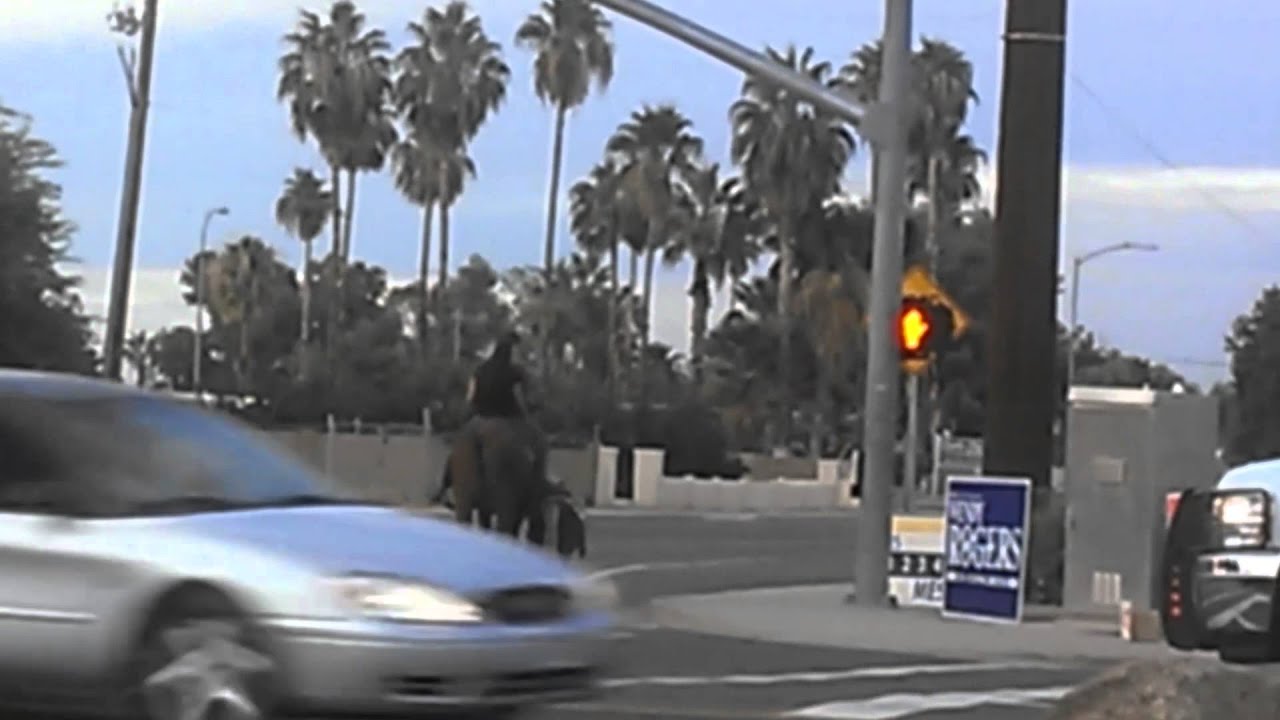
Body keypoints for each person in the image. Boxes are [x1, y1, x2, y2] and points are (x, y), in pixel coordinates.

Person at [453, 331, 550, 540]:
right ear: (512, 350)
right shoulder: (517, 373)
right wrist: (532, 409)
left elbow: (470, 398)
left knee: (459, 447)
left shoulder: (479, 370)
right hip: (509, 418)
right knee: (541, 444)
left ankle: (447, 485)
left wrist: (467, 416)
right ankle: (537, 494)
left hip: (478, 419)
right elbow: (526, 400)